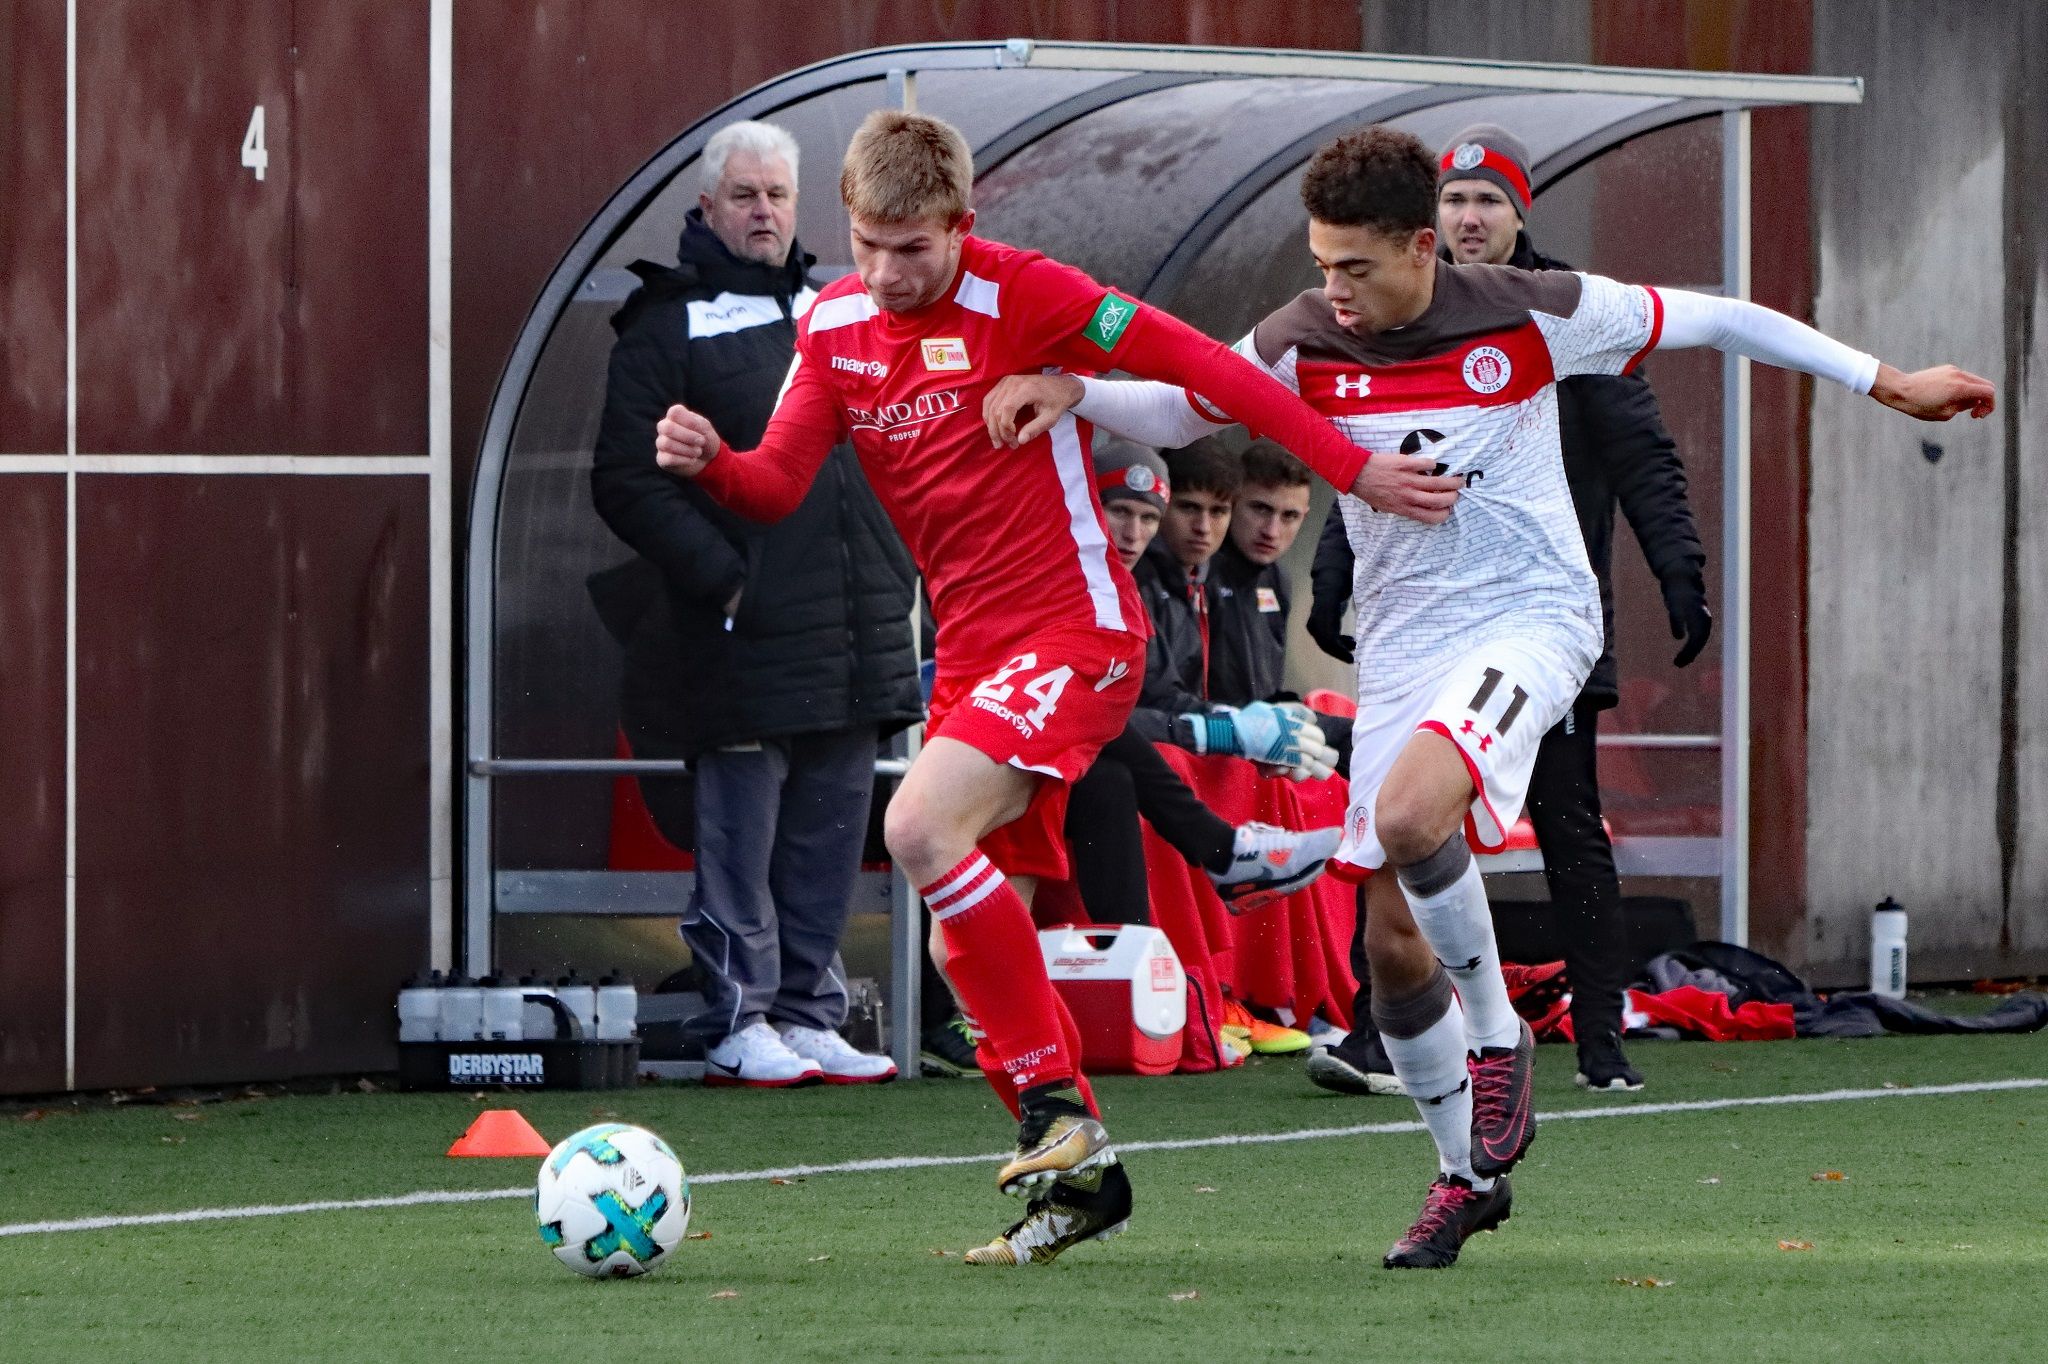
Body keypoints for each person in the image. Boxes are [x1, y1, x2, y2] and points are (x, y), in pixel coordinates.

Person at [984, 125, 1992, 1269]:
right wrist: (1071, 385)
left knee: (1414, 820)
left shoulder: (1535, 308)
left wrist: (1885, 378)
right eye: (1319, 263)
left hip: (1531, 615)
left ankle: (1499, 1031)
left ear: (1422, 248)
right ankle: (1464, 1176)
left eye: (1353, 265)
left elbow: (1717, 315)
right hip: (1404, 643)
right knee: (1390, 941)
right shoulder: (1302, 335)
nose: (1332, 288)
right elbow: (1180, 406)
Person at [653, 111, 1455, 1265]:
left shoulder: (1025, 291)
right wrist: (710, 464)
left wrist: (1353, 469)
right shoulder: (829, 322)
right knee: (960, 941)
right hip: (975, 656)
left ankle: (1058, 1116)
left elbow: (1213, 372)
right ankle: (1081, 1176)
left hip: (1074, 630)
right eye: (868, 244)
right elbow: (776, 483)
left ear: (961, 227)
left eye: (913, 249)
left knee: (917, 823)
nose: (886, 272)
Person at [1307, 123, 1714, 1095]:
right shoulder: (1377, 311)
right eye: (1452, 200)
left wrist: (1678, 570)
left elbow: (1642, 457)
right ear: (1426, 223)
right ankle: (1389, 1033)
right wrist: (1330, 579)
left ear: (1517, 213)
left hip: (1534, 625)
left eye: (1486, 199)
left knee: (1567, 823)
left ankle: (1599, 1037)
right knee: (1398, 824)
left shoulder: (1556, 315)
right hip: (1423, 622)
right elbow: (1363, 458)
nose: (1468, 216)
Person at [589, 120, 920, 1089]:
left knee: (827, 828)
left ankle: (810, 1012)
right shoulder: (667, 320)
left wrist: (902, 568)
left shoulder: (836, 305)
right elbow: (625, 477)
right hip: (737, 631)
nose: (764, 212)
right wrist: (727, 576)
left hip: (856, 623)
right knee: (742, 834)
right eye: (744, 196)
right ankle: (740, 1014)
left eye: (777, 195)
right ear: (707, 207)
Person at [1066, 439, 1341, 929]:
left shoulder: (1132, 586)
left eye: (1147, 518)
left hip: (1087, 754)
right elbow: (1088, 709)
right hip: (1006, 740)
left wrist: (1236, 724)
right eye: (1118, 512)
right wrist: (1222, 729)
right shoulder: (1098, 581)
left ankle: (1153, 973)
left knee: (1114, 779)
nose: (1133, 534)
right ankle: (1222, 860)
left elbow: (1155, 694)